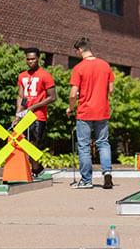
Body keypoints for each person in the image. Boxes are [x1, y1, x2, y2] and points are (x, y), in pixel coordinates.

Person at [67, 37, 115, 190]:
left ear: (80, 50)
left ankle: (87, 180)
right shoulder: (105, 65)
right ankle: (107, 173)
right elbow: (111, 90)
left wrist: (70, 107)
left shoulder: (78, 68)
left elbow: (73, 94)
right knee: (103, 143)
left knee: (84, 146)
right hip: (102, 111)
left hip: (85, 112)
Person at [15, 47, 56, 177]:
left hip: (38, 116)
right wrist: (18, 114)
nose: (30, 61)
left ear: (38, 58)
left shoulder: (45, 75)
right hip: (25, 115)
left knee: (34, 144)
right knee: (22, 142)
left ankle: (35, 169)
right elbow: (22, 97)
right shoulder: (22, 76)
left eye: (33, 59)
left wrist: (34, 107)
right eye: (28, 59)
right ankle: (36, 169)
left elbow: (52, 97)